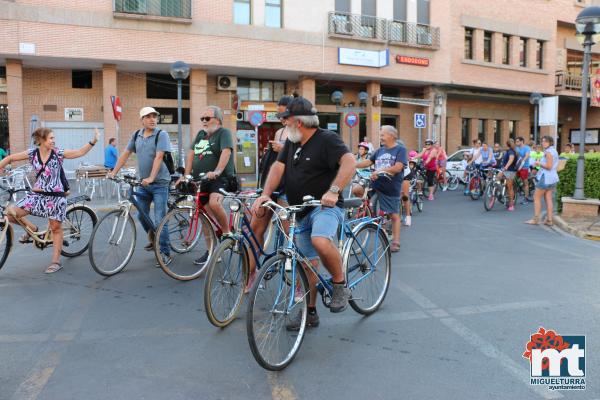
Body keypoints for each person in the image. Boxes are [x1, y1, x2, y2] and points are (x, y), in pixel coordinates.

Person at [252, 96, 356, 328]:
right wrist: (266, 194)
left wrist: (334, 190)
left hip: (325, 207)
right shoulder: (291, 143)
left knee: (319, 239)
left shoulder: (327, 139)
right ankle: (310, 312)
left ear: (298, 121)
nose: (283, 124)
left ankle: (339, 285)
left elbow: (349, 161)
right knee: (308, 265)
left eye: (285, 119)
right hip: (300, 211)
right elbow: (278, 167)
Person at [0, 127, 100, 273]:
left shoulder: (58, 153)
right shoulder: (32, 154)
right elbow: (9, 158)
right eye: (51, 138)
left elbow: (79, 152)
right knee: (10, 215)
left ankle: (55, 261)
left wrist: (94, 140)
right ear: (41, 140)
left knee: (55, 228)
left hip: (55, 196)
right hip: (38, 195)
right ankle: (32, 229)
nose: (54, 141)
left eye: (54, 138)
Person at [109, 107, 173, 266]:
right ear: (142, 120)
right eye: (148, 116)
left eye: (154, 116)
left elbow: (159, 157)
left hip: (159, 183)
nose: (152, 119)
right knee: (141, 215)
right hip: (143, 183)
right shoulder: (136, 135)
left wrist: (151, 177)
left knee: (159, 219)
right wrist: (114, 172)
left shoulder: (161, 135)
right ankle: (154, 238)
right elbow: (125, 153)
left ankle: (165, 252)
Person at [180, 105, 236, 265]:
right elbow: (191, 155)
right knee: (204, 216)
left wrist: (217, 171)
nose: (204, 121)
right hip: (202, 180)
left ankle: (226, 233)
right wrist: (186, 176)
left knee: (213, 203)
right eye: (202, 119)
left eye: (207, 118)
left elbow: (226, 152)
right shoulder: (200, 135)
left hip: (220, 178)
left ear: (217, 120)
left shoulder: (223, 133)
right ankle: (211, 251)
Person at [247, 96, 292, 290]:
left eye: (284, 114)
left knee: (291, 234)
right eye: (279, 114)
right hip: (271, 186)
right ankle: (250, 274)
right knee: (255, 228)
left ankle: (299, 282)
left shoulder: (301, 133)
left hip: (290, 188)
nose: (281, 118)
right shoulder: (281, 131)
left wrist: (284, 148)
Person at [356, 126, 407, 252]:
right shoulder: (379, 150)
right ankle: (370, 212)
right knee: (357, 189)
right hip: (375, 183)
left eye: (383, 135)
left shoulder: (400, 150)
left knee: (393, 215)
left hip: (390, 185)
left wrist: (380, 170)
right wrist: (352, 164)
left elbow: (398, 167)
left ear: (392, 136)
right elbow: (368, 162)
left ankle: (396, 241)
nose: (381, 137)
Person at [526, 136, 559, 226]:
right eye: (542, 141)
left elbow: (549, 166)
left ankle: (536, 219)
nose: (543, 143)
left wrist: (538, 163)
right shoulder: (554, 151)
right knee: (548, 199)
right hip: (552, 178)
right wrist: (538, 166)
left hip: (546, 178)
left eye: (546, 141)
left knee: (536, 198)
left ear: (550, 142)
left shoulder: (548, 152)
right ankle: (549, 220)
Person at [497, 138, 518, 211]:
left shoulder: (511, 152)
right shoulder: (508, 151)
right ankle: (501, 193)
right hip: (506, 170)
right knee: (498, 178)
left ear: (507, 145)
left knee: (510, 188)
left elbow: (511, 159)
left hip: (510, 171)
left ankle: (511, 204)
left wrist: (505, 168)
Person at [515, 136, 531, 202]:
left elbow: (527, 155)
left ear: (522, 141)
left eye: (518, 141)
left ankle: (526, 198)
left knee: (525, 183)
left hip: (524, 167)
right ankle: (519, 189)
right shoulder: (516, 148)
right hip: (517, 167)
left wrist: (523, 160)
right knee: (513, 179)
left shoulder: (526, 148)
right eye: (516, 141)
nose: (516, 143)